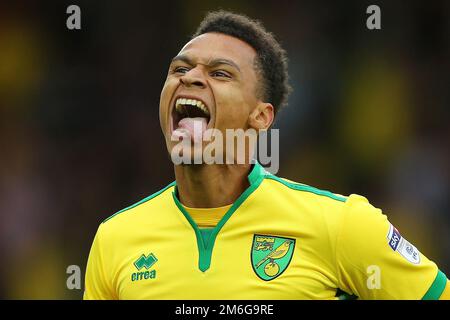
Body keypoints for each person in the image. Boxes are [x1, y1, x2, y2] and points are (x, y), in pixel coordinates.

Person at [84, 10, 449, 300]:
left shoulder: (341, 226)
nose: (190, 77)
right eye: (180, 68)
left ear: (260, 117)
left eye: (220, 73)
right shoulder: (115, 239)